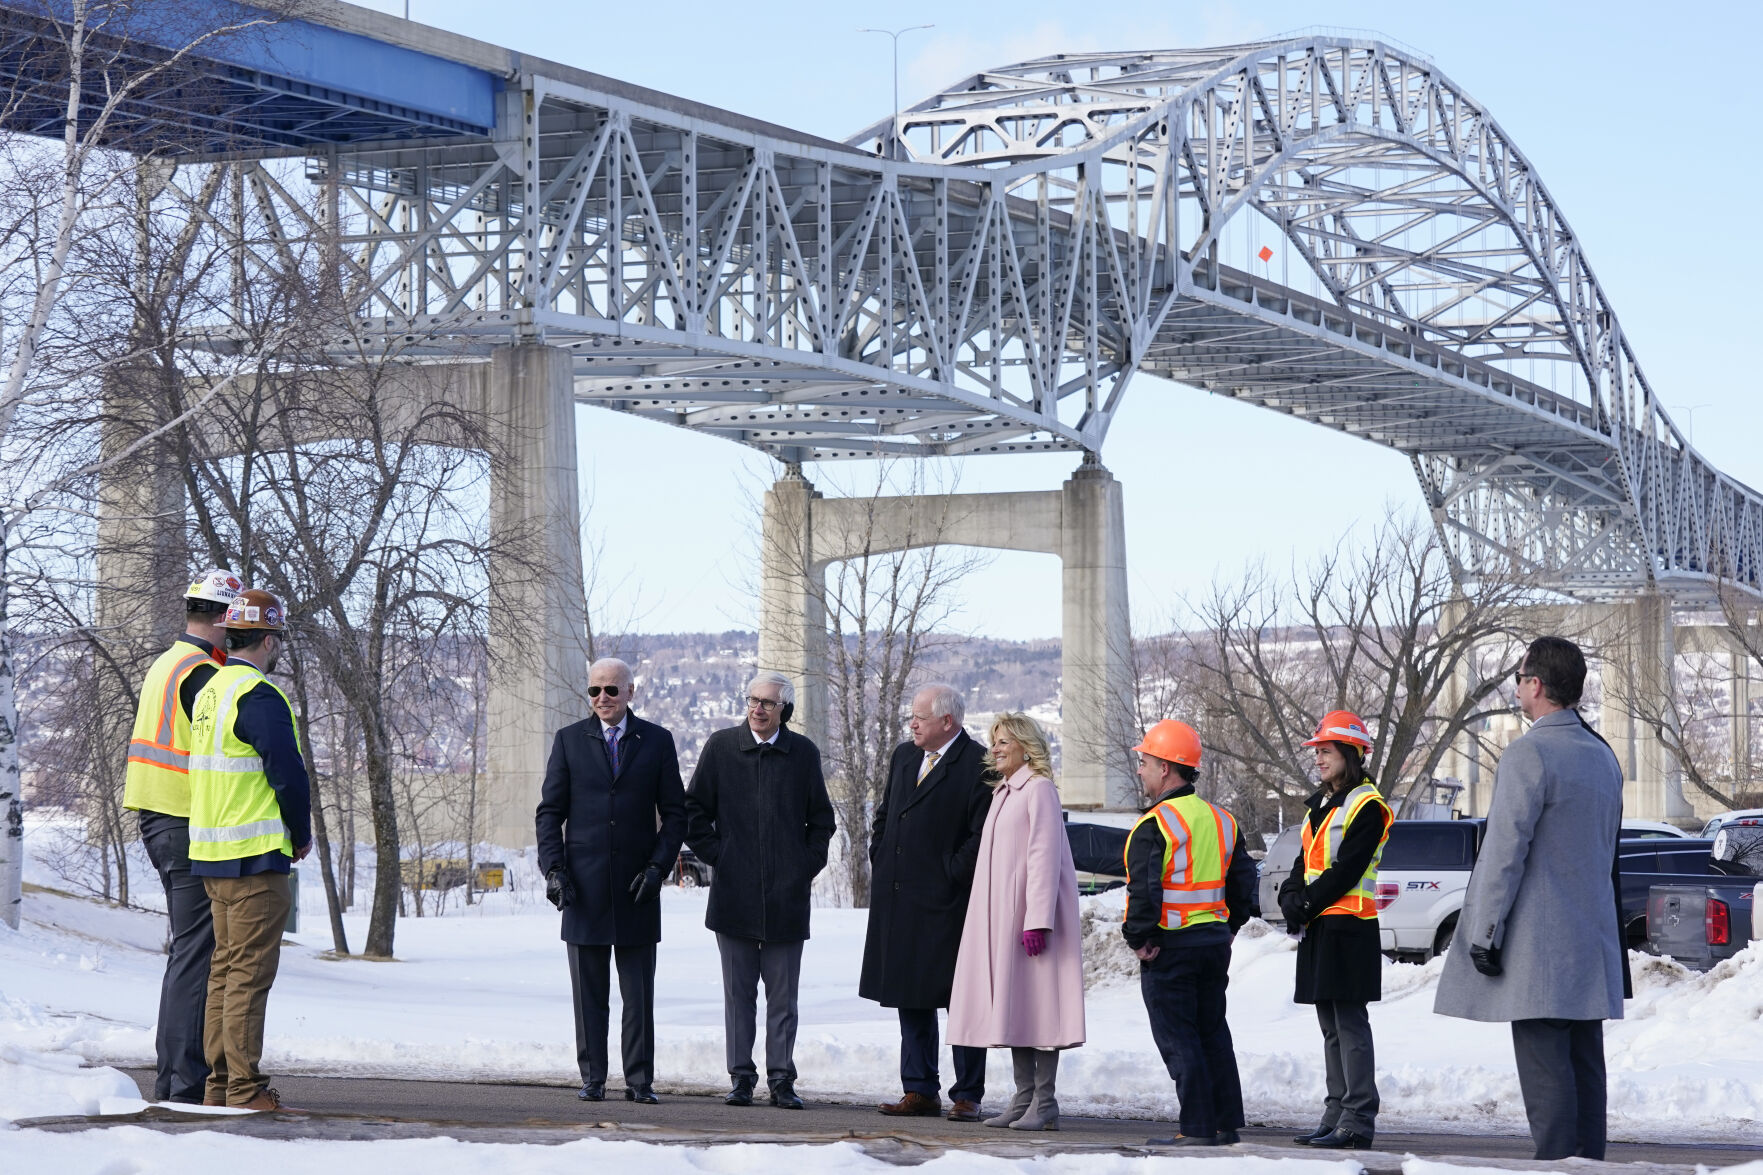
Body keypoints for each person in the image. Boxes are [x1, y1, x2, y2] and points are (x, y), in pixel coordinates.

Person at [1434, 636, 1630, 1161]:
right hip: (1592, 944)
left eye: (1519, 680)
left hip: (1540, 951)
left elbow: (1503, 853)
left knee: (1547, 1085)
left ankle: (1558, 1169)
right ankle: (1591, 1170)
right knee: (1587, 1072)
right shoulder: (1602, 755)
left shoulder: (1530, 753)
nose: (1517, 689)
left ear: (1536, 685)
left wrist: (1484, 934)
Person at [535, 657, 686, 1104]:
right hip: (583, 889)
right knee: (589, 995)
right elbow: (549, 814)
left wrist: (658, 868)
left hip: (638, 887)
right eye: (595, 691)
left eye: (611, 691)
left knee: (638, 996)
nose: (602, 698)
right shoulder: (568, 741)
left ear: (630, 692)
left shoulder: (657, 742)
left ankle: (640, 1082)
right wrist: (555, 870)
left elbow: (676, 816)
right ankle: (593, 1079)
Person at [685, 670, 835, 1110]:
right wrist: (722, 857)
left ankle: (782, 1079)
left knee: (783, 998)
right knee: (738, 996)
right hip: (733, 896)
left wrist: (802, 866)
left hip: (786, 900)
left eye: (768, 703)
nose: (758, 708)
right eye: (752, 700)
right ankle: (741, 1078)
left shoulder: (802, 753)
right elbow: (694, 811)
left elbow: (821, 822)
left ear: (784, 709)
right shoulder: (722, 747)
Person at [186, 589, 312, 1111]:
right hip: (255, 859)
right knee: (248, 977)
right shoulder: (258, 696)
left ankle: (218, 1084)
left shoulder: (211, 691)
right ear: (266, 639)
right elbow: (287, 772)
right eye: (276, 639)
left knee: (224, 972)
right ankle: (243, 1087)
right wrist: (300, 834)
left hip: (214, 855)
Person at [122, 568, 242, 1104]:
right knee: (197, 953)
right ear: (222, 617)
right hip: (183, 821)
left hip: (159, 817)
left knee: (188, 951)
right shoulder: (199, 674)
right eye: (234, 618)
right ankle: (183, 1083)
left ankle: (175, 1077)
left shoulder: (168, 662)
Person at [860, 682, 991, 1122]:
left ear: (947, 722)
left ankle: (968, 1093)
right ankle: (919, 1089)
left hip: (950, 903)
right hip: (900, 898)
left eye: (919, 717)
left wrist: (950, 873)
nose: (912, 723)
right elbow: (884, 813)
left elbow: (981, 835)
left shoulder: (977, 763)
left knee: (962, 998)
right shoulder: (903, 756)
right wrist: (880, 853)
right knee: (910, 995)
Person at [947, 712, 1083, 1131]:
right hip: (1001, 918)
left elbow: (1044, 857)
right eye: (994, 740)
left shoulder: (1038, 790)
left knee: (1039, 1008)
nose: (996, 748)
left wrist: (1038, 919)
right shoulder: (1004, 791)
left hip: (1028, 919)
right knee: (1016, 1008)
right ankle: (1024, 1098)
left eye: (1004, 740)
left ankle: (1044, 1102)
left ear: (1026, 745)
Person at [1124, 719, 1255, 1147]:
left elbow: (1144, 889)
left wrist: (1138, 938)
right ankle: (1223, 1123)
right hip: (1213, 946)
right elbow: (1242, 882)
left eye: (1145, 762)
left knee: (1180, 1039)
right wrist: (1229, 926)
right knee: (1212, 1032)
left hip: (1170, 948)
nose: (1140, 769)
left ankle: (1197, 1128)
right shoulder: (1222, 820)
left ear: (1165, 768)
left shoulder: (1155, 824)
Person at [1277, 710, 1394, 1150]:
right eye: (1318, 752)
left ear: (1350, 752)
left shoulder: (1369, 806)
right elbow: (1302, 863)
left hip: (1350, 928)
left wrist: (1304, 903)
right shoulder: (1321, 806)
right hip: (1322, 927)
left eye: (1326, 751)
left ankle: (1358, 1118)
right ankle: (1335, 1112)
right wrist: (1292, 897)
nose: (1319, 759)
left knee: (1349, 1024)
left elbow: (1347, 869)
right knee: (1330, 1024)